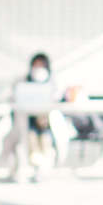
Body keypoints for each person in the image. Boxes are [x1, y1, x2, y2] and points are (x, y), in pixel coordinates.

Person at [8, 53, 62, 181]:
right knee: (30, 138)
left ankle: (41, 169)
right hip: (27, 122)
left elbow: (58, 100)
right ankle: (31, 168)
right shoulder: (22, 82)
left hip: (45, 122)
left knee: (45, 138)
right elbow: (14, 99)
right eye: (36, 65)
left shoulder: (53, 84)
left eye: (41, 65)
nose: (38, 68)